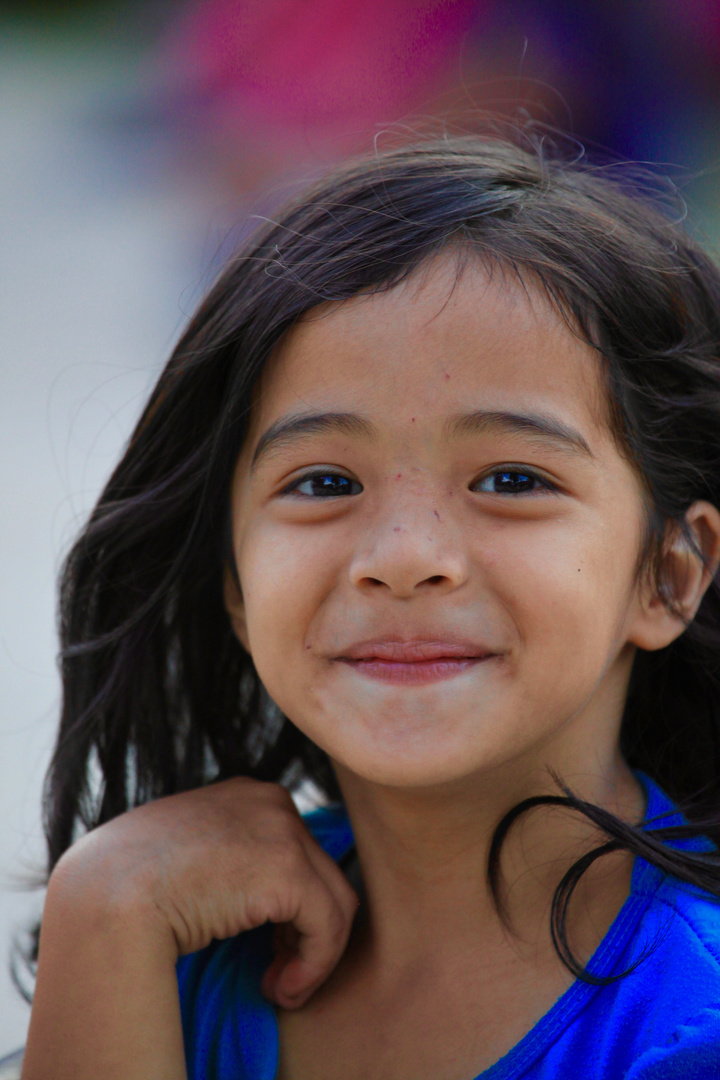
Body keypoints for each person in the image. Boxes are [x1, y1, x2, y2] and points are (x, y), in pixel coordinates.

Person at [18, 129, 720, 1080]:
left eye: (512, 478)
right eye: (321, 483)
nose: (402, 560)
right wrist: (104, 914)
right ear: (232, 577)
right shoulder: (169, 952)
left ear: (670, 574)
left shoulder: (690, 1029)